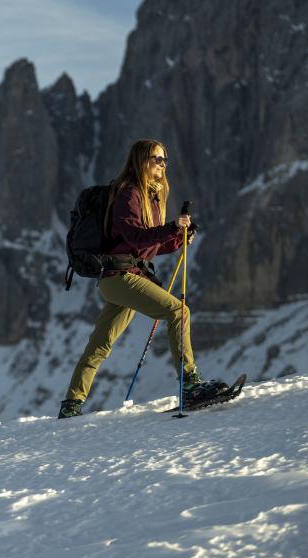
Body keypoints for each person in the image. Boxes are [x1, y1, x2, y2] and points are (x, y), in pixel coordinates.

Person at [58, 139, 203, 418]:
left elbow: (148, 248)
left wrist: (178, 239)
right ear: (141, 160)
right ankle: (190, 384)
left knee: (100, 343)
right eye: (156, 158)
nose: (162, 164)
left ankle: (71, 404)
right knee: (178, 311)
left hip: (124, 276)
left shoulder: (150, 196)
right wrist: (172, 227)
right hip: (120, 276)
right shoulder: (129, 193)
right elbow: (135, 238)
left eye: (165, 159)